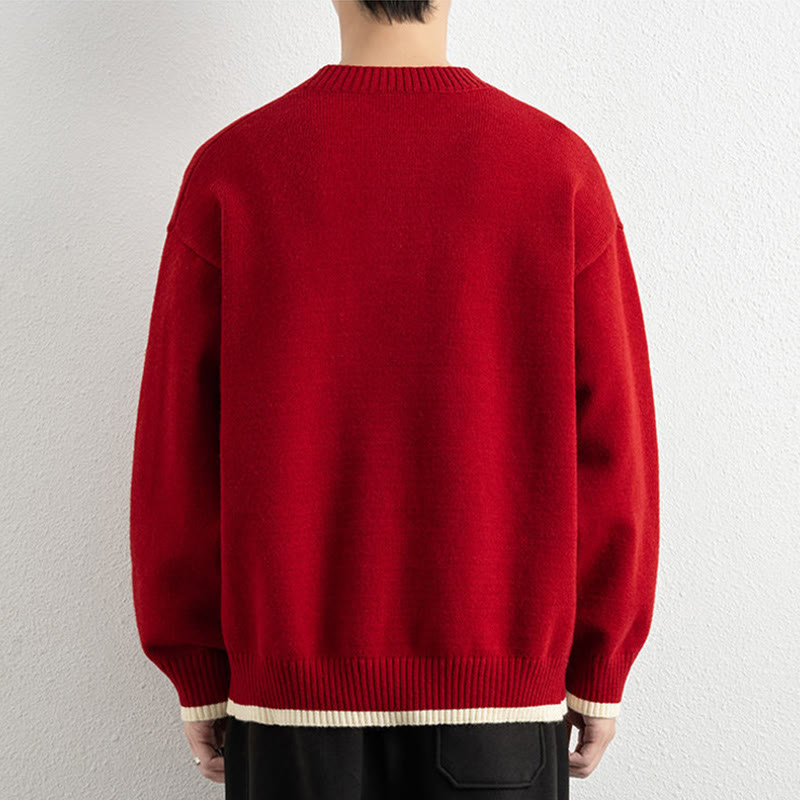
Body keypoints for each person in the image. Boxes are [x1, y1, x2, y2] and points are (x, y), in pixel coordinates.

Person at [129, 1, 660, 797]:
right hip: (501, 708)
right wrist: (600, 663)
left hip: (289, 706)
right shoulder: (557, 170)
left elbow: (177, 449)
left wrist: (196, 666)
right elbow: (618, 446)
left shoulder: (234, 171)